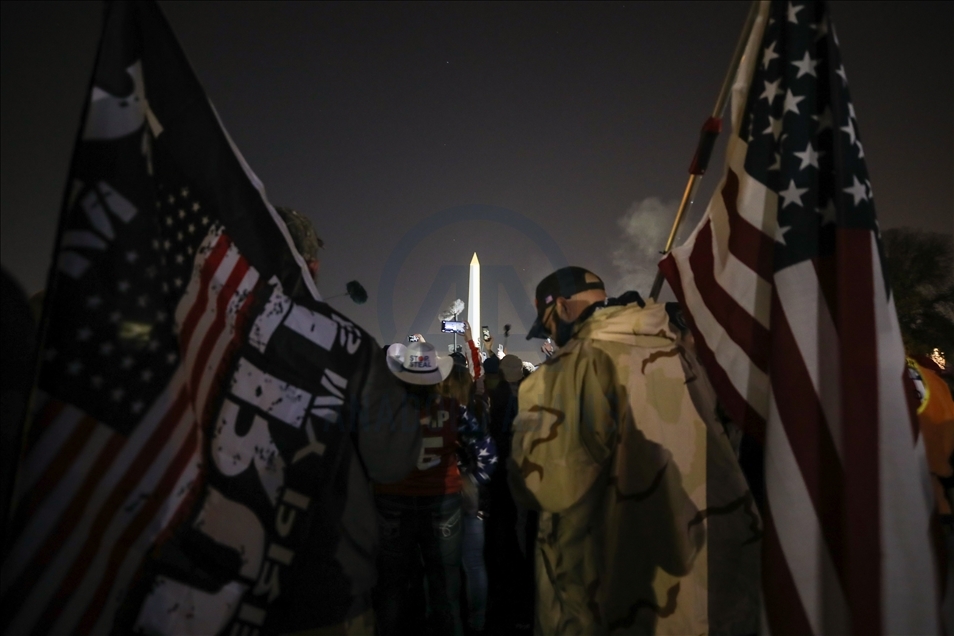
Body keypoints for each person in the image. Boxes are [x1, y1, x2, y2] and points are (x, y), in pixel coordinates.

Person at [509, 266, 761, 635]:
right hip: (694, 582)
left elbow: (541, 487)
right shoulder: (680, 354)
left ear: (562, 308)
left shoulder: (559, 375)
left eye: (547, 324)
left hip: (603, 594)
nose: (550, 334)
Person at [374, 340, 495, 636]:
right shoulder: (454, 410)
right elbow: (487, 452)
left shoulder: (384, 410)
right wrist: (471, 481)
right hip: (442, 502)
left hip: (393, 501)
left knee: (393, 586)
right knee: (445, 587)